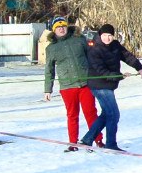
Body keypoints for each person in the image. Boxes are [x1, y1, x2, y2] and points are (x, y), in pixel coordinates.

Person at [80, 24, 142, 152]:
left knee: (106, 114)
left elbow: (128, 56)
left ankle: (87, 139)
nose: (107, 38)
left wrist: (139, 67)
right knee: (114, 114)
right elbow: (101, 71)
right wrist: (119, 76)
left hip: (109, 84)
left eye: (110, 35)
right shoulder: (94, 48)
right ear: (100, 35)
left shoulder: (115, 45)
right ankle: (111, 144)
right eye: (105, 35)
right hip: (99, 85)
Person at [43, 16, 100, 152]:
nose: (61, 29)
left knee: (91, 113)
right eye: (58, 27)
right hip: (67, 86)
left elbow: (92, 57)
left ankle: (98, 140)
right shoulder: (51, 48)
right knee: (72, 115)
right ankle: (73, 143)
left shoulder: (79, 40)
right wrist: (47, 90)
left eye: (63, 26)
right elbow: (49, 70)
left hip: (86, 83)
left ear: (67, 27)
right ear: (54, 30)